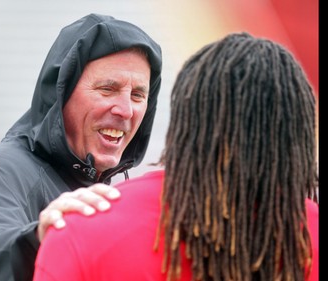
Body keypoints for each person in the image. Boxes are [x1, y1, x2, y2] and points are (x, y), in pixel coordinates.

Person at [32, 32, 319, 281]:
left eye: (137, 96)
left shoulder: (81, 229)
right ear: (299, 136)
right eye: (107, 89)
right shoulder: (311, 233)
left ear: (185, 120)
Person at [0, 13, 162, 281]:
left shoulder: (106, 182)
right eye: (107, 89)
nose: (126, 110)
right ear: (61, 93)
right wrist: (39, 237)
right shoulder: (0, 166)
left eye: (138, 95)